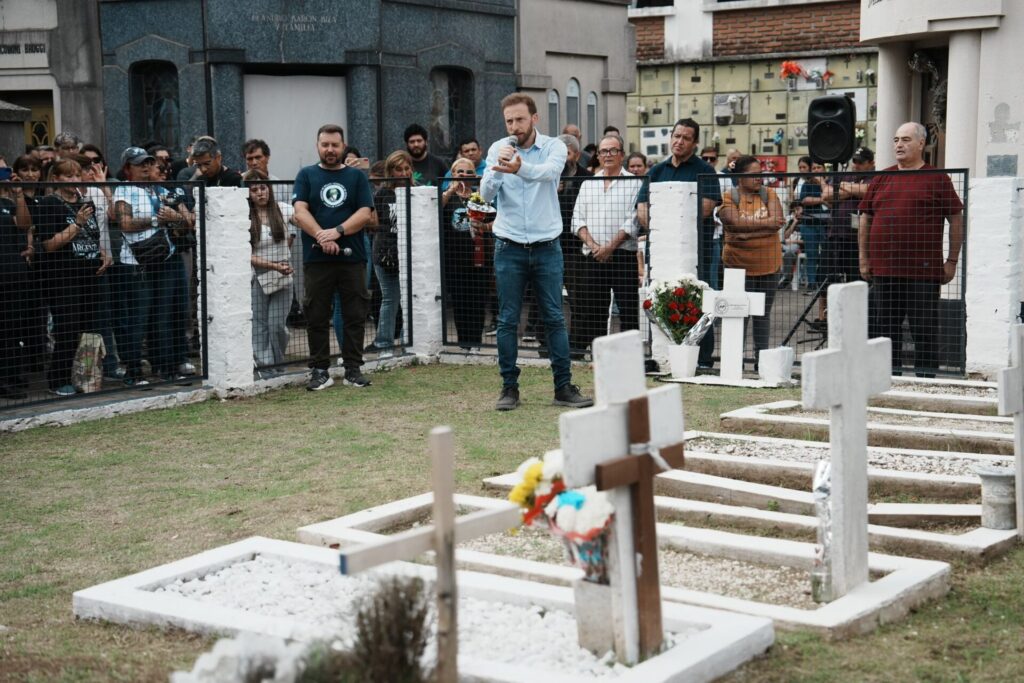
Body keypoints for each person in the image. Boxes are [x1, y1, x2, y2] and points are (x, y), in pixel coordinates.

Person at [481, 92, 593, 411]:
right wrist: (498, 168)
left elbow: (548, 174)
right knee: (507, 320)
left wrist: (519, 169)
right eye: (509, 121)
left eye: (519, 119)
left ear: (534, 118)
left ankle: (563, 387)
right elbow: (486, 194)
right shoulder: (498, 148)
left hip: (547, 247)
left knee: (554, 317)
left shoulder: (554, 147)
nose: (514, 126)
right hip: (509, 246)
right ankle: (509, 388)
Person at [859, 122, 963, 377]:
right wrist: (863, 258)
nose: (899, 145)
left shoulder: (937, 178)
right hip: (884, 269)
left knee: (924, 329)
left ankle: (926, 379)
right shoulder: (883, 176)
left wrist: (951, 261)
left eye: (905, 139)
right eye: (895, 140)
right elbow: (865, 217)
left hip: (923, 271)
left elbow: (956, 218)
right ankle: (886, 376)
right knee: (884, 328)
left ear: (920, 144)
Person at [292, 123, 375, 391]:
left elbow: (365, 213)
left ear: (343, 146)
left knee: (354, 314)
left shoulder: (356, 177)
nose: (330, 149)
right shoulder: (305, 175)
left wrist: (337, 232)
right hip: (317, 259)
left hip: (352, 258)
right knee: (316, 314)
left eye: (334, 145)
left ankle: (353, 369)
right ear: (318, 146)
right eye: (325, 144)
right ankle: (319, 371)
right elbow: (300, 211)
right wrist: (320, 236)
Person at [636, 118, 721, 369]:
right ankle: (660, 355)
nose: (679, 141)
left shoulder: (705, 170)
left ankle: (702, 358)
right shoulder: (656, 171)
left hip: (697, 250)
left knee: (699, 300)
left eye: (685, 138)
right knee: (660, 298)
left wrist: (669, 220)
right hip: (661, 250)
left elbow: (705, 208)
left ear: (694, 143)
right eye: (676, 136)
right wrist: (663, 224)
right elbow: (642, 210)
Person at [31, 158, 109, 395]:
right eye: (67, 176)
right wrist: (76, 224)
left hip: (89, 273)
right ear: (56, 179)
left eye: (77, 175)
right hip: (62, 276)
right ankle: (58, 379)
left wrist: (103, 253)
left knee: (87, 328)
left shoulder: (85, 203)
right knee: (67, 327)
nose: (73, 180)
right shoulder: (48, 204)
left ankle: (83, 376)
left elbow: (93, 235)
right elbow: (48, 244)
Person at [570, 134, 642, 353]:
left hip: (622, 256)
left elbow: (634, 220)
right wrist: (594, 246)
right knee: (593, 309)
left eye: (613, 150)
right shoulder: (589, 184)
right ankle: (597, 354)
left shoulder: (634, 183)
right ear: (598, 156)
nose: (608, 155)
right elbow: (577, 219)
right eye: (603, 151)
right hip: (593, 256)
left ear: (621, 154)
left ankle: (630, 356)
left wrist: (610, 246)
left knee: (628, 308)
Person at [718, 155, 785, 367]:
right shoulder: (729, 197)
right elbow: (734, 223)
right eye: (753, 174)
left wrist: (746, 232)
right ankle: (734, 362)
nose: (759, 178)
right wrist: (764, 225)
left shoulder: (770, 194)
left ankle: (761, 361)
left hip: (769, 265)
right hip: (738, 265)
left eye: (760, 174)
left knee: (762, 315)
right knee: (739, 314)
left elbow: (778, 222)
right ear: (739, 177)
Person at [244, 169, 296, 374]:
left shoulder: (282, 209)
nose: (260, 193)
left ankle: (278, 363)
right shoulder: (245, 217)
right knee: (259, 325)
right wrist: (274, 265)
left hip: (284, 276)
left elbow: (302, 219)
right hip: (258, 276)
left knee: (277, 325)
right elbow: (245, 253)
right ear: (248, 193)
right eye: (254, 189)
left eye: (263, 187)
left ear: (269, 189)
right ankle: (266, 369)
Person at [366, 150, 411, 357]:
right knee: (390, 298)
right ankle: (384, 343)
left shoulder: (417, 192)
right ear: (390, 171)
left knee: (410, 299)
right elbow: (375, 225)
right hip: (385, 255)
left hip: (411, 254)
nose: (403, 173)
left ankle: (406, 341)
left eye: (406, 168)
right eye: (398, 169)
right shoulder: (382, 194)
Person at [441, 157, 489, 349]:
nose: (464, 175)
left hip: (478, 259)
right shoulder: (447, 195)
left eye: (469, 172)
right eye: (460, 172)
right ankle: (464, 343)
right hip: (455, 260)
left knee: (478, 302)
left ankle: (476, 342)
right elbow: (434, 209)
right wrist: (452, 189)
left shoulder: (480, 195)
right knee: (460, 303)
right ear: (453, 174)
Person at [798, 160, 829, 292]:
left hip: (827, 225)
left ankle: (824, 281)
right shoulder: (807, 183)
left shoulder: (830, 183)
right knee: (812, 254)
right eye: (814, 168)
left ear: (824, 169)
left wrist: (823, 189)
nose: (816, 170)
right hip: (809, 224)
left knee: (827, 254)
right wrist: (823, 199)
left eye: (819, 167)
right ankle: (811, 283)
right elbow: (805, 200)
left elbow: (834, 199)